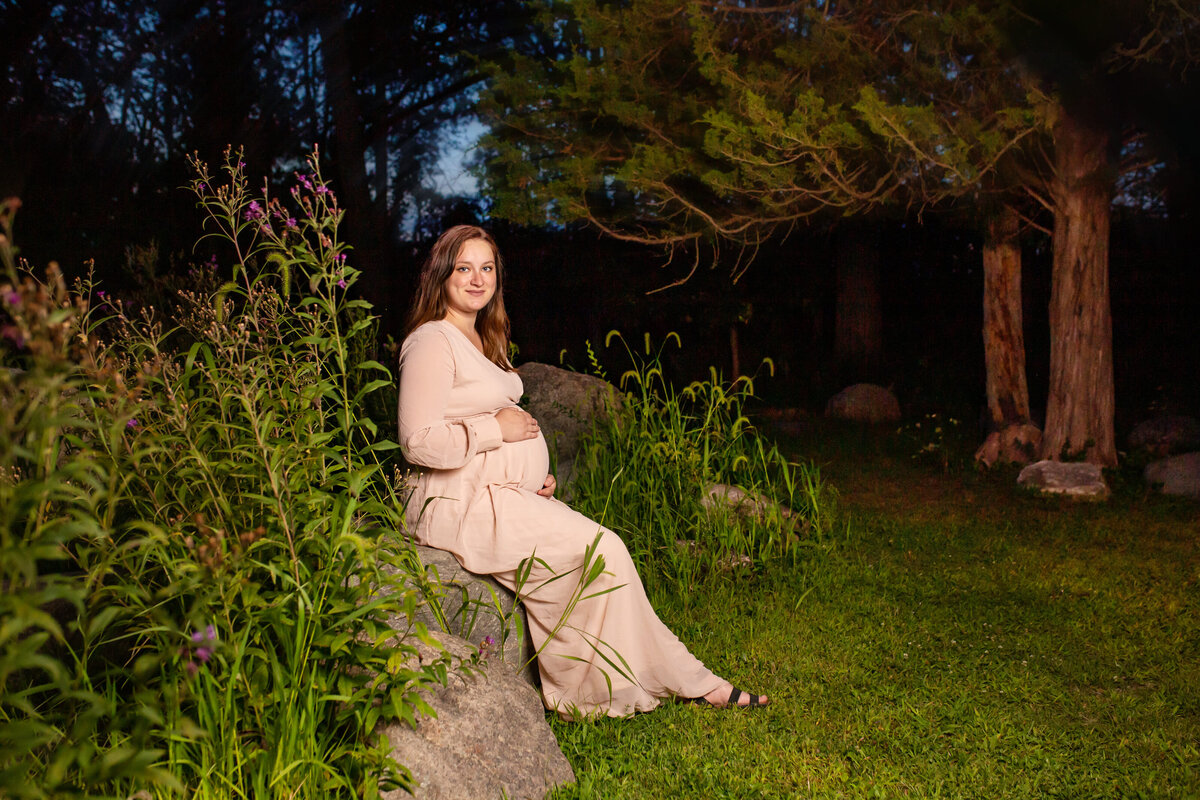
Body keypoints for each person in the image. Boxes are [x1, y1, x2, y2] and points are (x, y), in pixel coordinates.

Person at [396, 224, 768, 719]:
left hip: (499, 495)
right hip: (458, 506)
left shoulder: (482, 338)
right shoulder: (431, 342)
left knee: (607, 551)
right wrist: (496, 431)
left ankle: (683, 677)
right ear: (442, 273)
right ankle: (626, 689)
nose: (476, 279)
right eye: (463, 268)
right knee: (603, 551)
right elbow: (418, 441)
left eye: (486, 268)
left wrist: (529, 480)